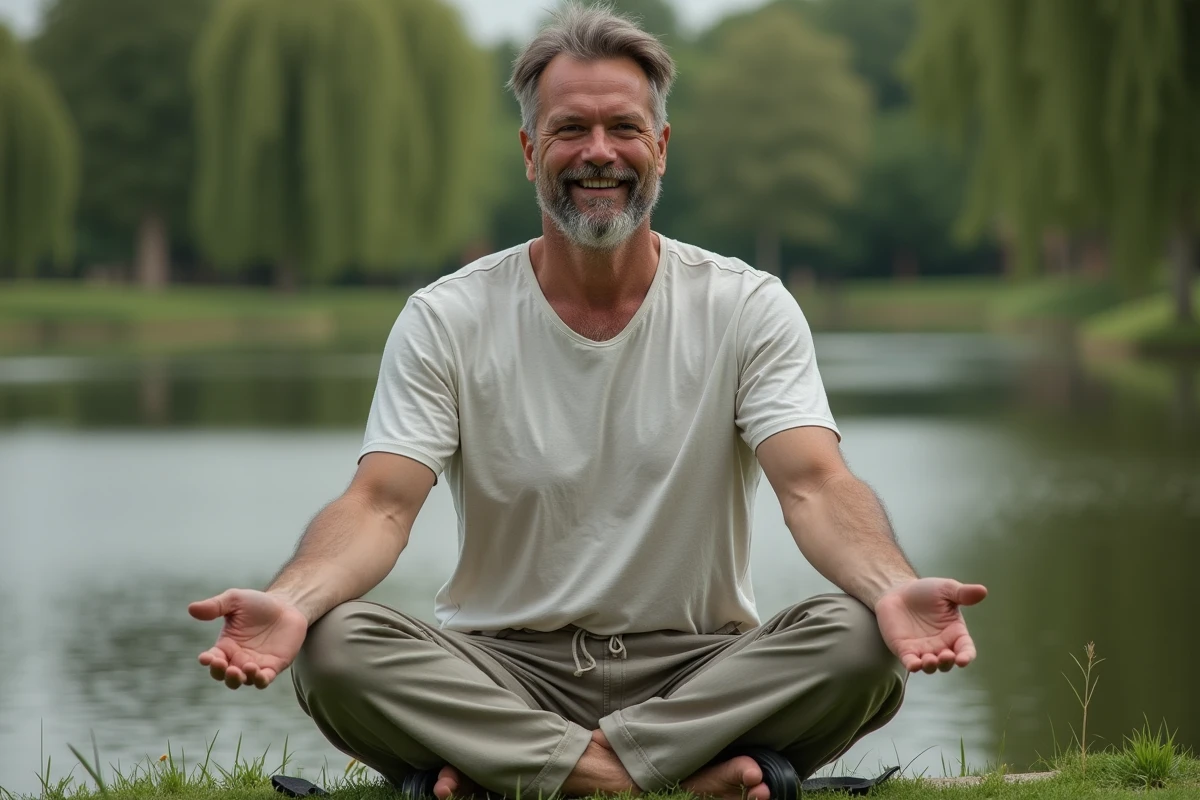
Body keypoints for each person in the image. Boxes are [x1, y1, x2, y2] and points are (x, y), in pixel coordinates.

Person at [188, 5, 988, 799]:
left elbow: (814, 484)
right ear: (530, 151)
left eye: (624, 128)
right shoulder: (446, 317)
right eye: (570, 129)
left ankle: (527, 775)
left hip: (700, 671)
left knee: (861, 640)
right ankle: (669, 783)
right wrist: (291, 601)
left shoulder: (748, 306)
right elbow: (381, 505)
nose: (598, 152)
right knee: (334, 648)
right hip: (502, 671)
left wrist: (891, 587)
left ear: (661, 148)